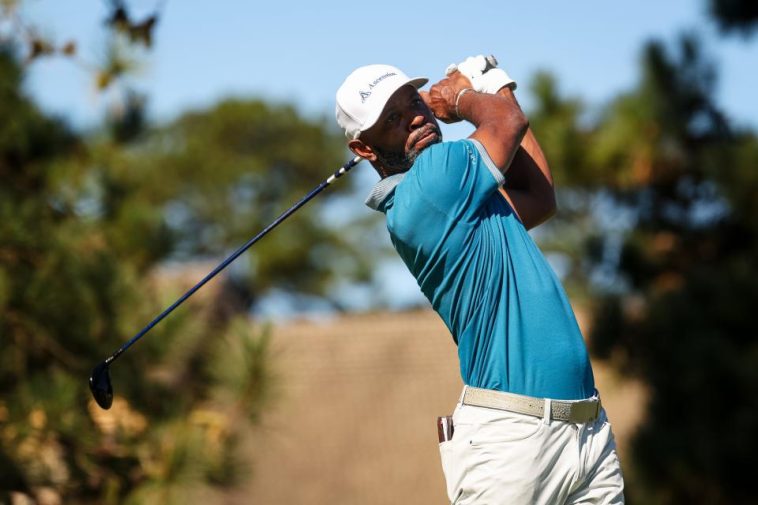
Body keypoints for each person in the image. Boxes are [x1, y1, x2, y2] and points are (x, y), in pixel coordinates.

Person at [335, 56, 625, 504]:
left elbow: (539, 198)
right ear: (365, 150)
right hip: (513, 441)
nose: (415, 116)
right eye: (392, 119)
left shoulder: (463, 193)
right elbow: (507, 123)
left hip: (585, 430)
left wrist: (495, 86)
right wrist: (465, 96)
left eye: (413, 101)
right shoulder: (433, 182)